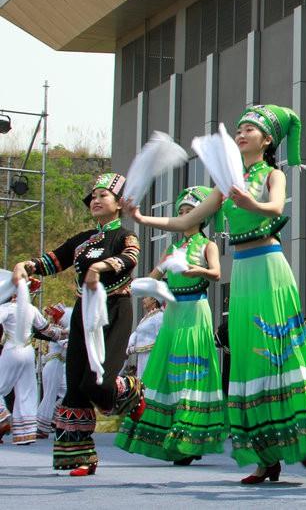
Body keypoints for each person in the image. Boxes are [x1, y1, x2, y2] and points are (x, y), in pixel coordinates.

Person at [124, 105, 306, 484]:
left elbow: (275, 207)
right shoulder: (226, 183)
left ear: (267, 140)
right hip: (245, 274)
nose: (240, 134)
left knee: (279, 352)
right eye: (238, 129)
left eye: (249, 129)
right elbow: (188, 220)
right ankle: (264, 456)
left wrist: (249, 203)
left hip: (270, 267)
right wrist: (141, 219)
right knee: (248, 361)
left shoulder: (273, 174)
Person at [13, 173, 143, 475]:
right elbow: (51, 261)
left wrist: (101, 265)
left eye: (103, 196)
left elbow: (130, 259)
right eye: (93, 197)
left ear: (119, 204)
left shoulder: (124, 235)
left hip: (113, 311)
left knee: (99, 383)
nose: (96, 201)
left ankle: (130, 388)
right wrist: (25, 265)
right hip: (84, 313)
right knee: (75, 388)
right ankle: (82, 456)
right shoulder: (82, 241)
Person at [116, 186, 228, 465]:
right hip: (173, 311)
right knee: (168, 370)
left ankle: (190, 435)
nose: (185, 215)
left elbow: (216, 273)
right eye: (181, 212)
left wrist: (197, 270)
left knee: (191, 370)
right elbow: (153, 276)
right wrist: (132, 286)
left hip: (195, 310)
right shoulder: (172, 249)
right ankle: (173, 433)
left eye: (190, 211)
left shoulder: (207, 245)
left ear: (202, 217)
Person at [0, 278, 49, 445]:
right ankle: (25, 433)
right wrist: (62, 334)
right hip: (28, 352)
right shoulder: (31, 309)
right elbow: (46, 329)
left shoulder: (6, 308)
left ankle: (3, 416)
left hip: (12, 349)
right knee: (26, 391)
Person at [36, 303, 71, 438]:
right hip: (54, 365)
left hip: (56, 366)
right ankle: (41, 425)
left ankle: (53, 416)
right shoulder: (57, 331)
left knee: (66, 392)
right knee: (49, 395)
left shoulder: (60, 329)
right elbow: (64, 341)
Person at [124, 297, 164, 378]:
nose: (143, 300)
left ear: (154, 300)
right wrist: (128, 348)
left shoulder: (160, 316)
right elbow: (137, 334)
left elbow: (161, 340)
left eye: (145, 297)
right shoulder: (145, 318)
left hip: (152, 357)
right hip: (142, 358)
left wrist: (136, 348)